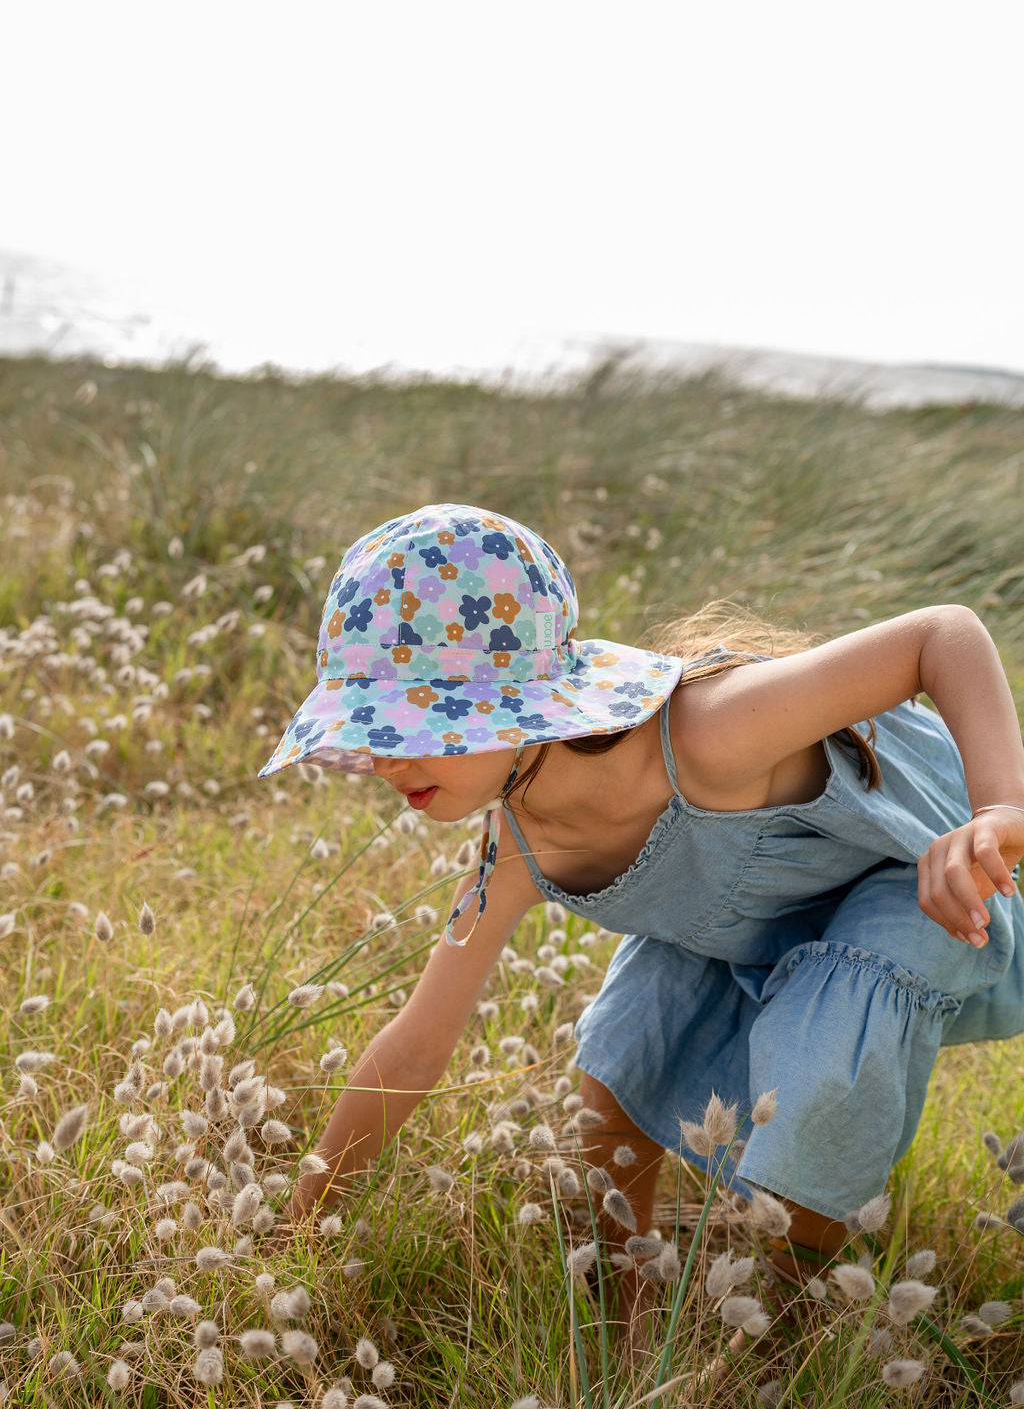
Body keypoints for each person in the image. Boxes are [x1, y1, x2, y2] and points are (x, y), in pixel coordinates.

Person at [257, 500, 1024, 1302]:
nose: (381, 761)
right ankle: (626, 1295)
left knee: (823, 1060)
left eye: (412, 725)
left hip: (926, 881)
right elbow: (415, 1048)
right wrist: (297, 1228)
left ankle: (799, 1306)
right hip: (748, 925)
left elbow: (943, 634)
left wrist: (1001, 813)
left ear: (517, 704)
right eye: (368, 730)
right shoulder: (513, 847)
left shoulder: (707, 735)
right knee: (624, 1042)